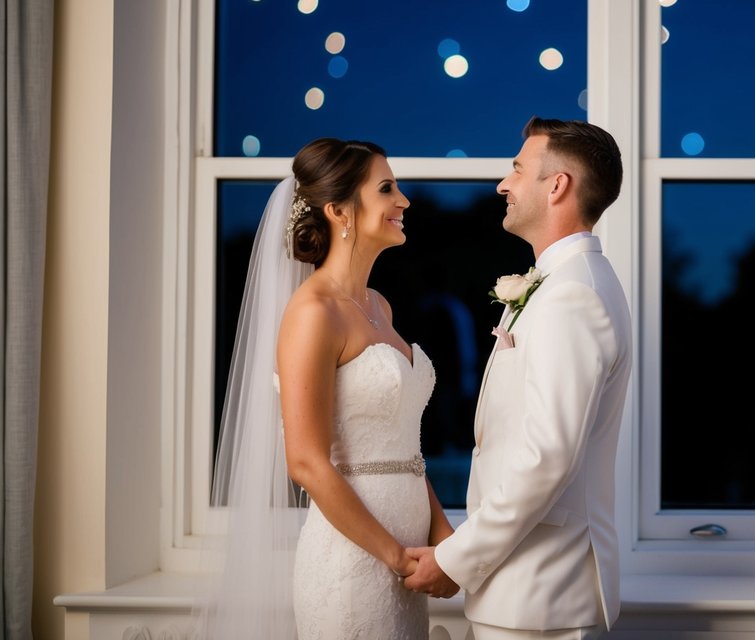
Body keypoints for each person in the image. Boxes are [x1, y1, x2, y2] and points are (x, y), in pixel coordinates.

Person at [199, 138, 453, 639]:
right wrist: (396, 558)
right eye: (387, 189)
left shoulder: (379, 306)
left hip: (407, 561)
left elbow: (401, 447)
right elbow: (307, 461)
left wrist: (443, 538)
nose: (403, 201)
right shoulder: (312, 313)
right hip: (352, 567)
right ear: (339, 209)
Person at [403, 118, 633, 640]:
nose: (503, 185)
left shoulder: (574, 294)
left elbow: (547, 456)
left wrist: (456, 558)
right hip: (523, 589)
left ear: (558, 186)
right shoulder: (562, 284)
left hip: (543, 595)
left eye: (517, 169)